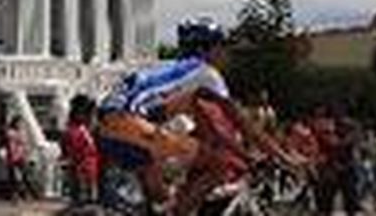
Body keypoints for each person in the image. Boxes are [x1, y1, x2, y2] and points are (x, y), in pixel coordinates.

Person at [97, 18, 301, 216]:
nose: (224, 53)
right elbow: (243, 123)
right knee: (219, 164)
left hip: (109, 126)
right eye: (220, 47)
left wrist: (242, 154)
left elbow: (211, 131)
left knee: (161, 196)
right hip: (127, 121)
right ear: (206, 49)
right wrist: (283, 158)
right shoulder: (206, 73)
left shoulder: (170, 72)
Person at [62, 94, 100, 210]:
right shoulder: (74, 131)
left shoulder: (83, 129)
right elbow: (73, 152)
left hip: (89, 170)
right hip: (82, 170)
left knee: (86, 201)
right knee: (82, 202)